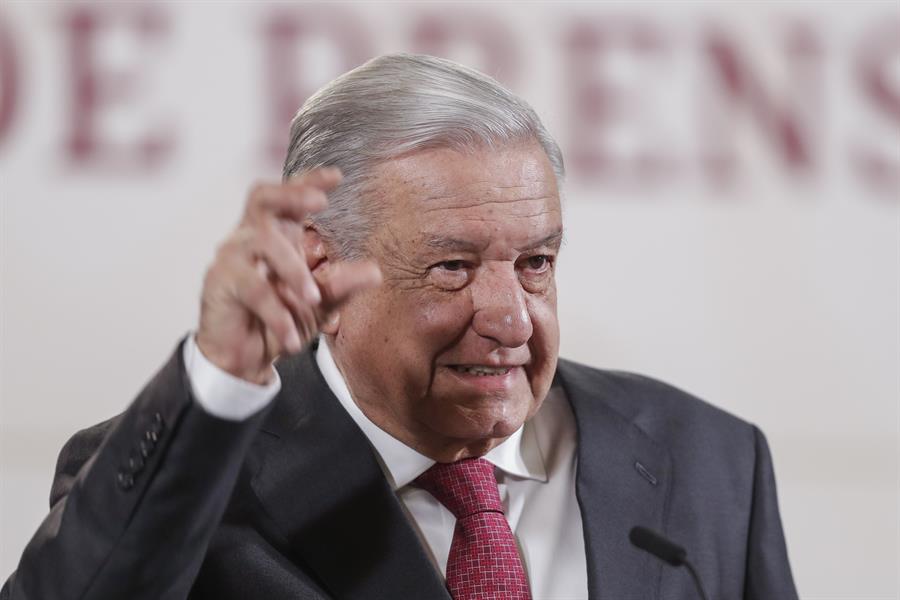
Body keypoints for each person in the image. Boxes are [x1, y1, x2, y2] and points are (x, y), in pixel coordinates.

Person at [2, 53, 798, 600]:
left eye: (536, 263)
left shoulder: (710, 461)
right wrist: (216, 377)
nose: (511, 317)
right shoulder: (194, 477)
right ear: (319, 266)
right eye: (451, 267)